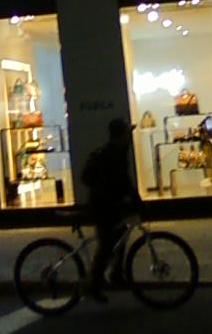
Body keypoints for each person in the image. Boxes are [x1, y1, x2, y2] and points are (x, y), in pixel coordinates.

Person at [80, 118, 140, 303]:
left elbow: (123, 180)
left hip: (109, 204)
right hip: (102, 206)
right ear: (121, 134)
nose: (130, 136)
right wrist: (137, 201)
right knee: (106, 244)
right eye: (127, 132)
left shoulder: (118, 150)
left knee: (121, 233)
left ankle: (116, 274)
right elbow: (123, 180)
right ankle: (94, 285)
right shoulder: (112, 153)